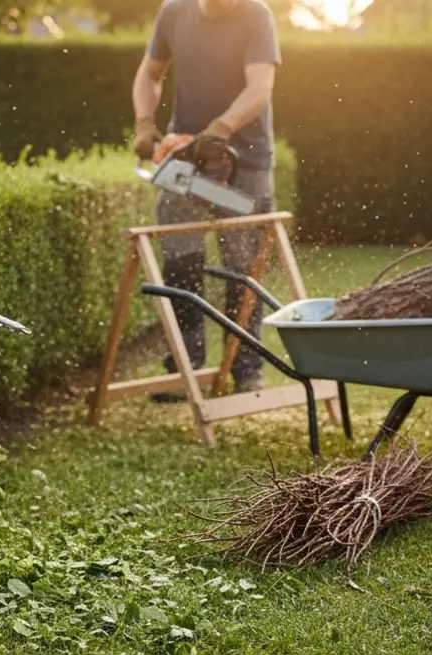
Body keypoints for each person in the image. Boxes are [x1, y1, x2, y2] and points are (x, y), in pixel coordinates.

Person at [130, 0, 281, 398]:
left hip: (246, 161)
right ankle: (185, 368)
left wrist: (223, 127)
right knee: (181, 264)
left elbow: (260, 87)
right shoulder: (173, 12)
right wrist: (144, 121)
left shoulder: (256, 16)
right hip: (185, 159)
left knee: (243, 267)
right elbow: (150, 72)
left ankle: (247, 371)